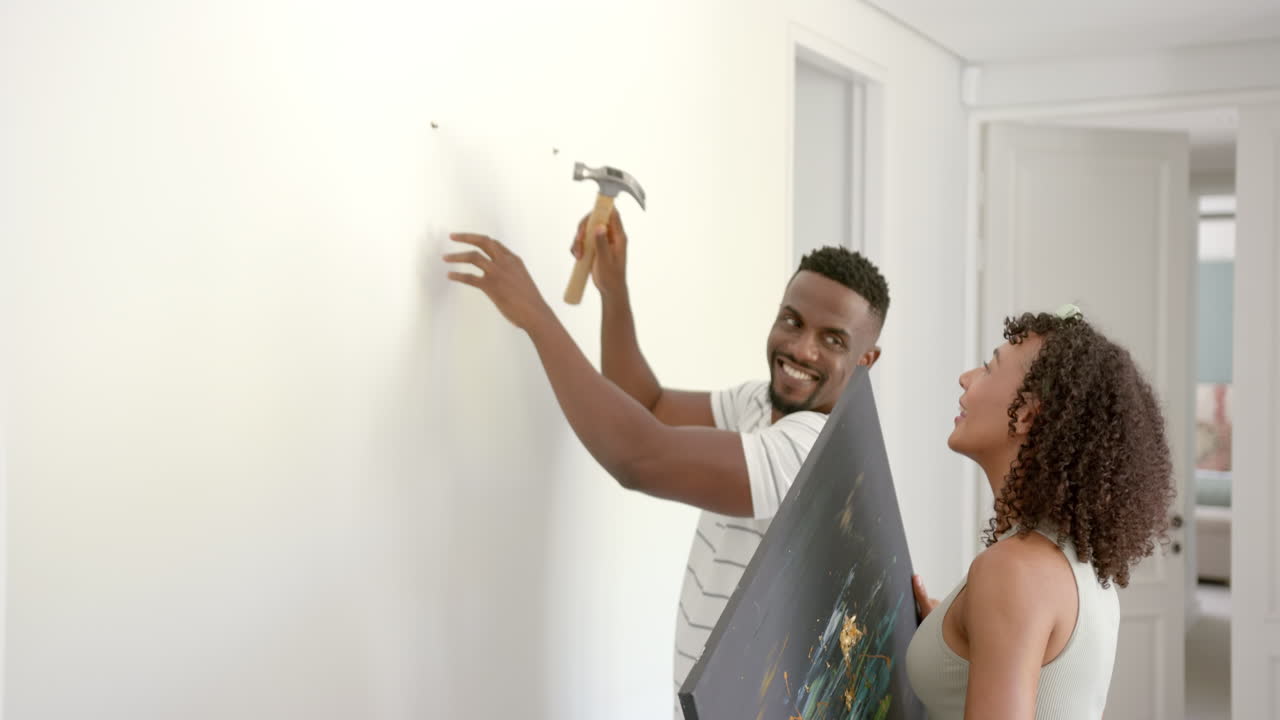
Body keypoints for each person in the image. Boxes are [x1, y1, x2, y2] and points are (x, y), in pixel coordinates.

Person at [443, 211, 890, 714]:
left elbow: (638, 458)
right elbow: (646, 404)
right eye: (792, 321)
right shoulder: (758, 404)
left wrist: (536, 317)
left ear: (865, 361)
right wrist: (614, 290)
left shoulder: (808, 453)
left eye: (833, 340)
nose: (800, 348)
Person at [906, 306, 1175, 719]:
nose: (965, 378)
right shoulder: (1075, 561)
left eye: (988, 368)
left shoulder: (1014, 570)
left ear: (1028, 413)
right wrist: (952, 628)